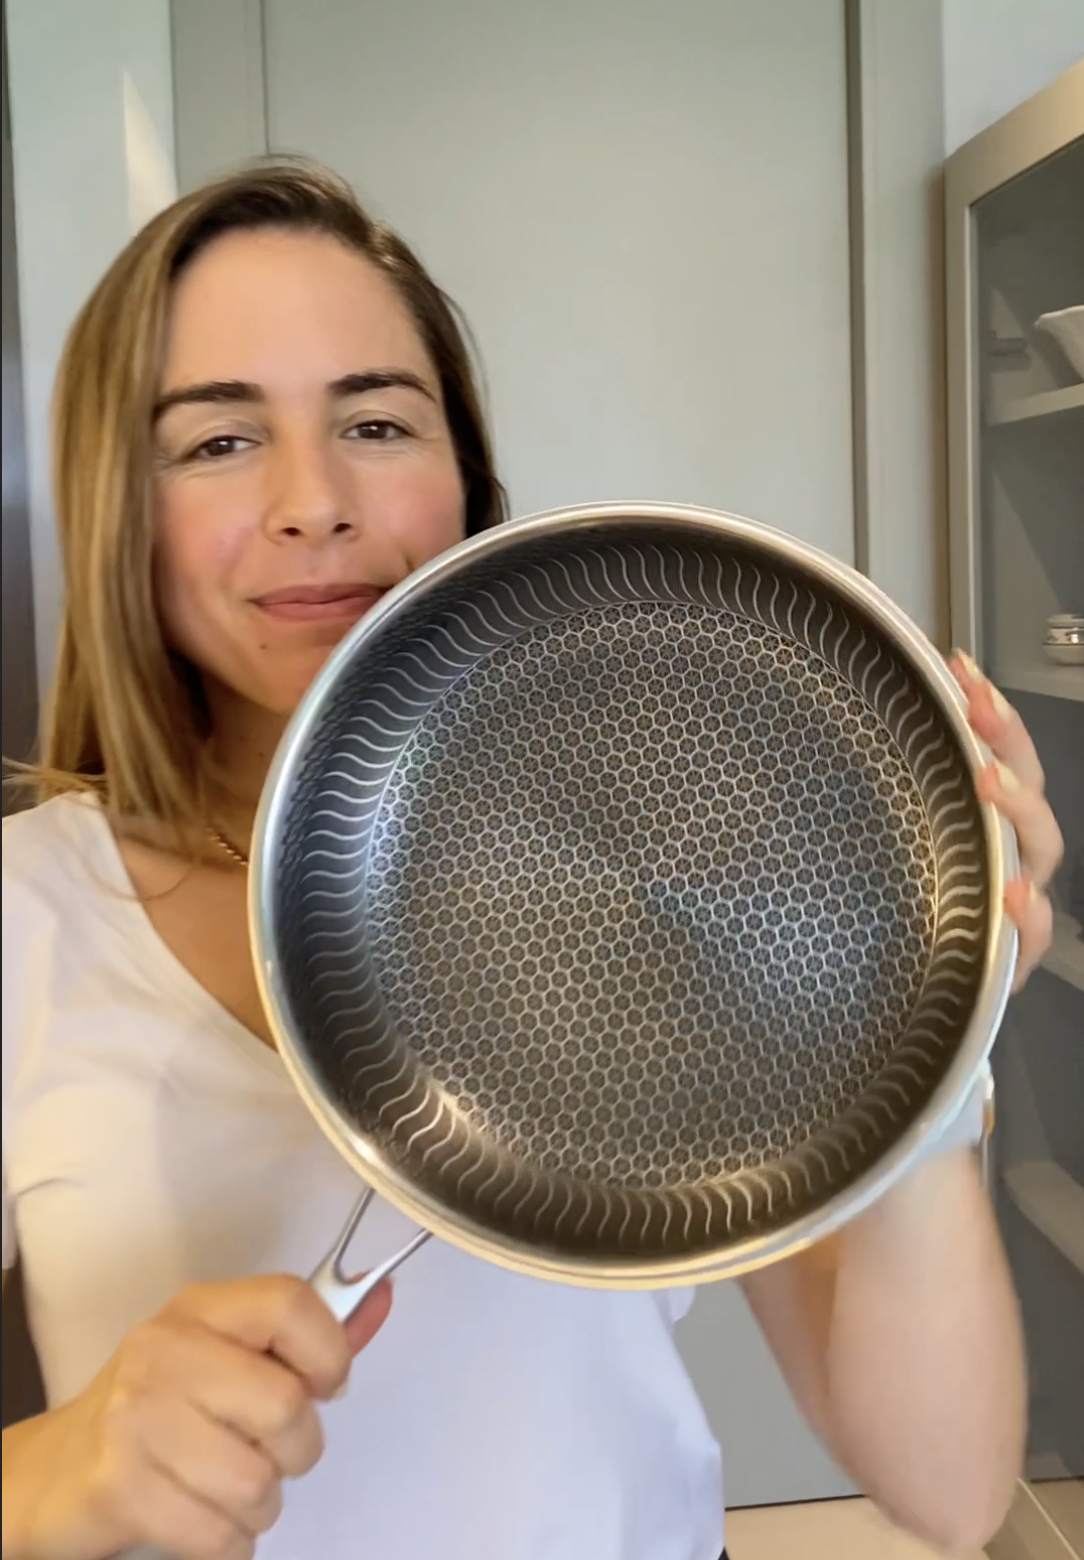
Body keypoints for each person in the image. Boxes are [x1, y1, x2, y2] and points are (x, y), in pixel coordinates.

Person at [1, 159, 1064, 1560]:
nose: (314, 502)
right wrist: (56, 1469)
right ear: (110, 503)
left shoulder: (666, 870)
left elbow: (950, 1487)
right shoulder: (27, 913)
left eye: (376, 421)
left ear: (464, 477)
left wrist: (946, 1025)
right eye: (215, 442)